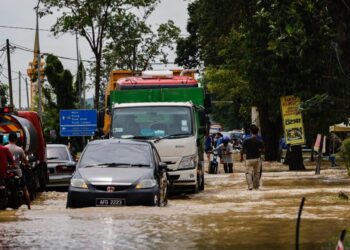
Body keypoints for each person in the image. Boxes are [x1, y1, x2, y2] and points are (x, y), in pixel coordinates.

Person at [5, 132, 31, 209]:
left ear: (9, 139)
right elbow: (25, 161)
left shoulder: (4, 148)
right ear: (16, 139)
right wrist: (27, 165)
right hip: (17, 172)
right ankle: (29, 206)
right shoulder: (20, 149)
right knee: (25, 188)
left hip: (7, 172)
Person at [240, 125, 264, 190]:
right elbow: (263, 150)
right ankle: (256, 187)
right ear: (257, 132)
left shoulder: (246, 140)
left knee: (248, 173)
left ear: (250, 132)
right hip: (257, 159)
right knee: (257, 173)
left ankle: (250, 186)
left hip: (249, 159)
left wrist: (241, 157)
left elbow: (242, 150)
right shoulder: (260, 141)